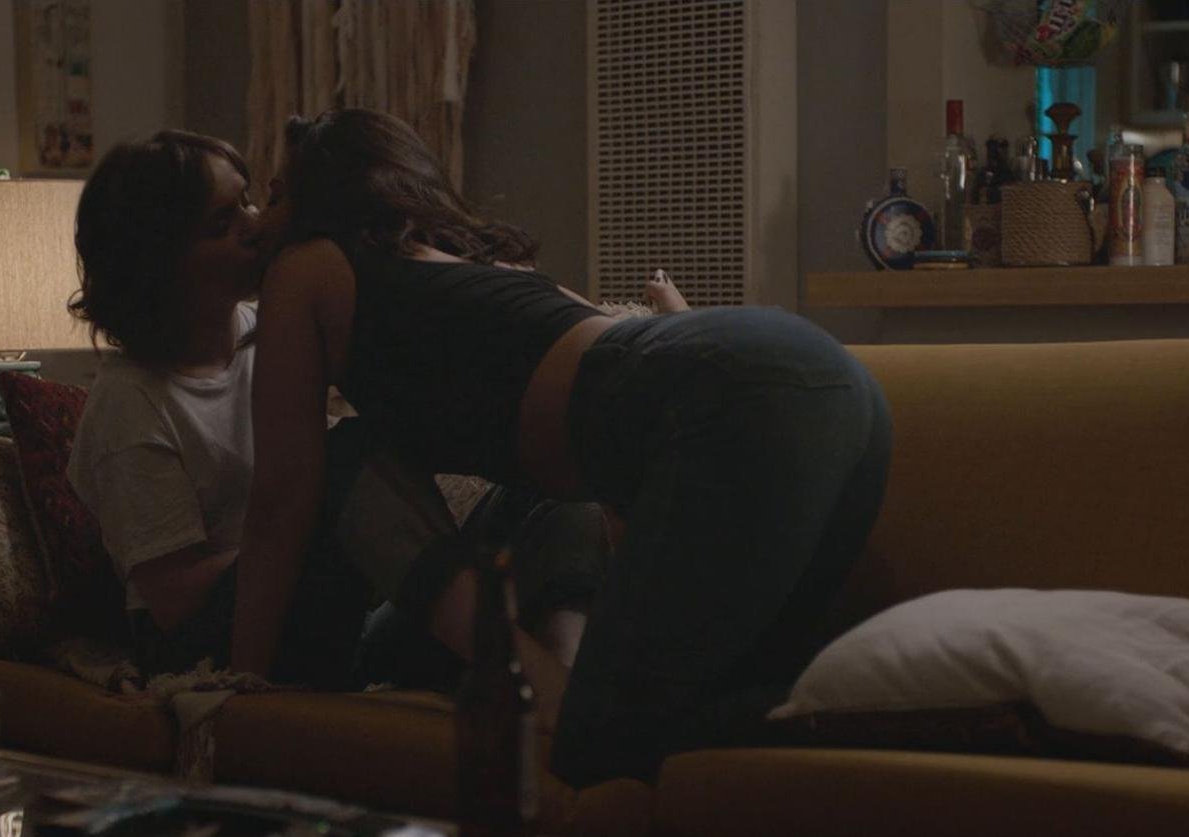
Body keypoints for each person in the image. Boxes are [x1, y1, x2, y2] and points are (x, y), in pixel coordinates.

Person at [235, 109, 894, 788]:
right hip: (841, 389)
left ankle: (889, 720)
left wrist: (239, 683)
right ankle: (908, 718)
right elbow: (611, 457)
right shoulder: (494, 269)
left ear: (325, 198)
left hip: (737, 396)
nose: (259, 222)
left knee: (597, 747)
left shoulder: (306, 266)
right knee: (754, 700)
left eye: (277, 196)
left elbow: (282, 493)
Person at [65, 130, 370, 685]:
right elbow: (173, 598)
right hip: (195, 633)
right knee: (351, 466)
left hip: (302, 587)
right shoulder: (131, 402)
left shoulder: (273, 327)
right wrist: (300, 528)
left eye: (248, 201)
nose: (255, 226)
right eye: (222, 223)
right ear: (163, 260)